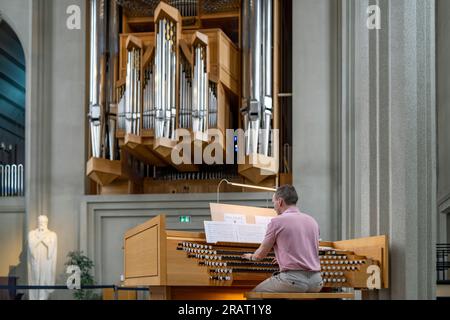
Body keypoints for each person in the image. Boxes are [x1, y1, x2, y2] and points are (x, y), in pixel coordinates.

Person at [242, 185, 323, 293]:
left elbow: (260, 255)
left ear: (280, 201)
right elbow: (308, 249)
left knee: (254, 295)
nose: (274, 206)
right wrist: (283, 257)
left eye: (273, 202)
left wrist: (251, 256)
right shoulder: (312, 221)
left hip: (293, 281)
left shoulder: (277, 222)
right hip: (316, 281)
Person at [27, 215, 57, 300]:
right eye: (40, 221)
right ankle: (35, 298)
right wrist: (40, 238)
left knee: (44, 280)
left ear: (47, 222)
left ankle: (43, 298)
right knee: (35, 279)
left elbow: (52, 248)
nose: (41, 223)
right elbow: (31, 246)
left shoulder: (52, 234)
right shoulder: (32, 233)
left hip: (46, 261)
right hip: (35, 261)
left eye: (43, 222)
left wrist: (43, 238)